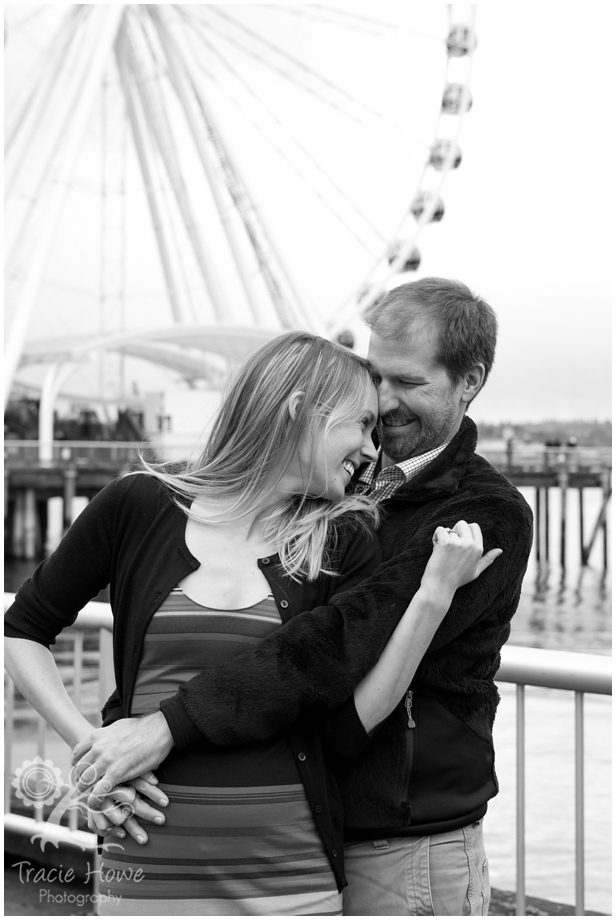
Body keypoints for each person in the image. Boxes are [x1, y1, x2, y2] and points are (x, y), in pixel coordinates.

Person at [60, 279, 533, 916]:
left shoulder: (484, 516)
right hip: (303, 823)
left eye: (409, 383)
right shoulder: (328, 484)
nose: (385, 402)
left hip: (403, 836)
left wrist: (161, 727)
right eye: (374, 378)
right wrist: (113, 748)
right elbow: (190, 631)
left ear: (469, 380)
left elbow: (333, 643)